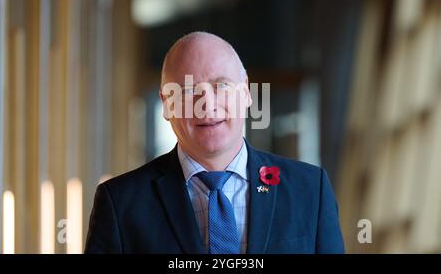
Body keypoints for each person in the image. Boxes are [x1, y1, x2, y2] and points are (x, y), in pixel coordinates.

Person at [84, 32, 344, 254]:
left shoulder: (310, 190)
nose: (206, 103)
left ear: (246, 93)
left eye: (221, 85)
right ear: (166, 104)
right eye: (187, 90)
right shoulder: (120, 203)